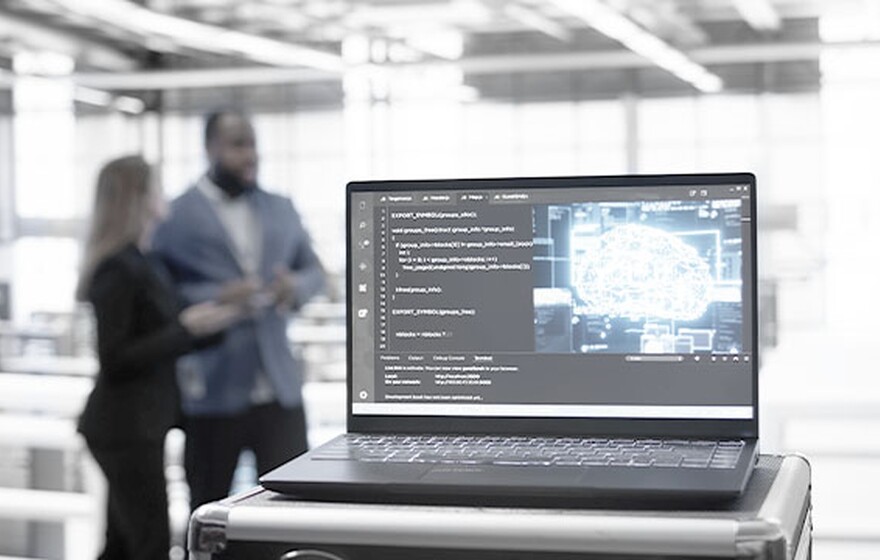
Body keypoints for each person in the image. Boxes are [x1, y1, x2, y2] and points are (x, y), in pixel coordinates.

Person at [152, 110, 325, 511]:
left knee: (295, 510)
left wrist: (293, 287)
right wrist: (217, 296)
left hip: (279, 389)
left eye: (253, 143)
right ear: (210, 148)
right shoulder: (176, 214)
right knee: (210, 510)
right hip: (213, 389)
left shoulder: (281, 207)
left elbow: (315, 271)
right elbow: (158, 292)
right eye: (237, 144)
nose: (250, 154)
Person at [76, 155, 239, 560]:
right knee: (148, 542)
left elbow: (163, 335)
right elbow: (115, 357)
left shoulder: (145, 261)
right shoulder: (118, 267)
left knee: (122, 543)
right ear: (138, 197)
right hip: (123, 428)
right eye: (156, 186)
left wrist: (209, 324)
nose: (163, 193)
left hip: (136, 426)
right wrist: (186, 329)